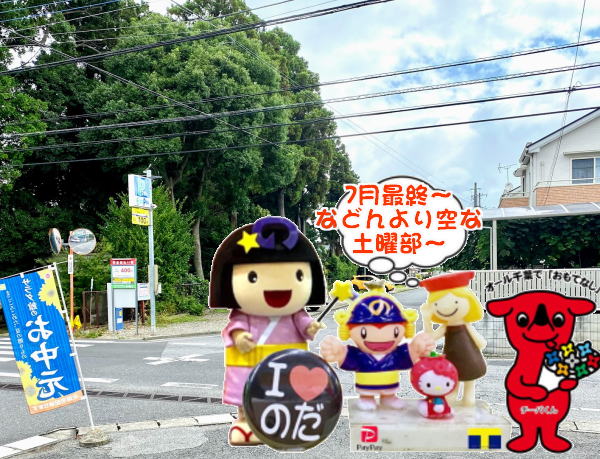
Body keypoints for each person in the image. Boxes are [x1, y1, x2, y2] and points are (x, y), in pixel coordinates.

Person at [209, 216, 326, 445]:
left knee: (286, 395)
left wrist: (311, 327)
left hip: (286, 366)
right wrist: (240, 336)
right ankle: (245, 422)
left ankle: (286, 423)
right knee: (248, 394)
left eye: (298, 275)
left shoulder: (295, 313)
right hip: (251, 364)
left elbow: (304, 324)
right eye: (252, 277)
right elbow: (235, 326)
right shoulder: (244, 314)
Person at [320, 280, 434, 410]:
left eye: (395, 331)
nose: (381, 339)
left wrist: (417, 347)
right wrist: (338, 351)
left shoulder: (396, 353)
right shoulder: (359, 354)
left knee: (389, 396)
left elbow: (409, 354)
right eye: (364, 333)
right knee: (367, 399)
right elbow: (346, 356)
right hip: (365, 388)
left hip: (390, 385)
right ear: (349, 330)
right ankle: (366, 398)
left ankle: (389, 397)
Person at [420, 271, 486, 407]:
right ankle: (455, 398)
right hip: (453, 360)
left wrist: (479, 343)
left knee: (468, 382)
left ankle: (467, 399)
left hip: (470, 358)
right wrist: (426, 320)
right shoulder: (446, 327)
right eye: (437, 305)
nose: (445, 308)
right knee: (452, 380)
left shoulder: (466, 326)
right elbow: (431, 338)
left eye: (455, 302)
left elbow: (481, 343)